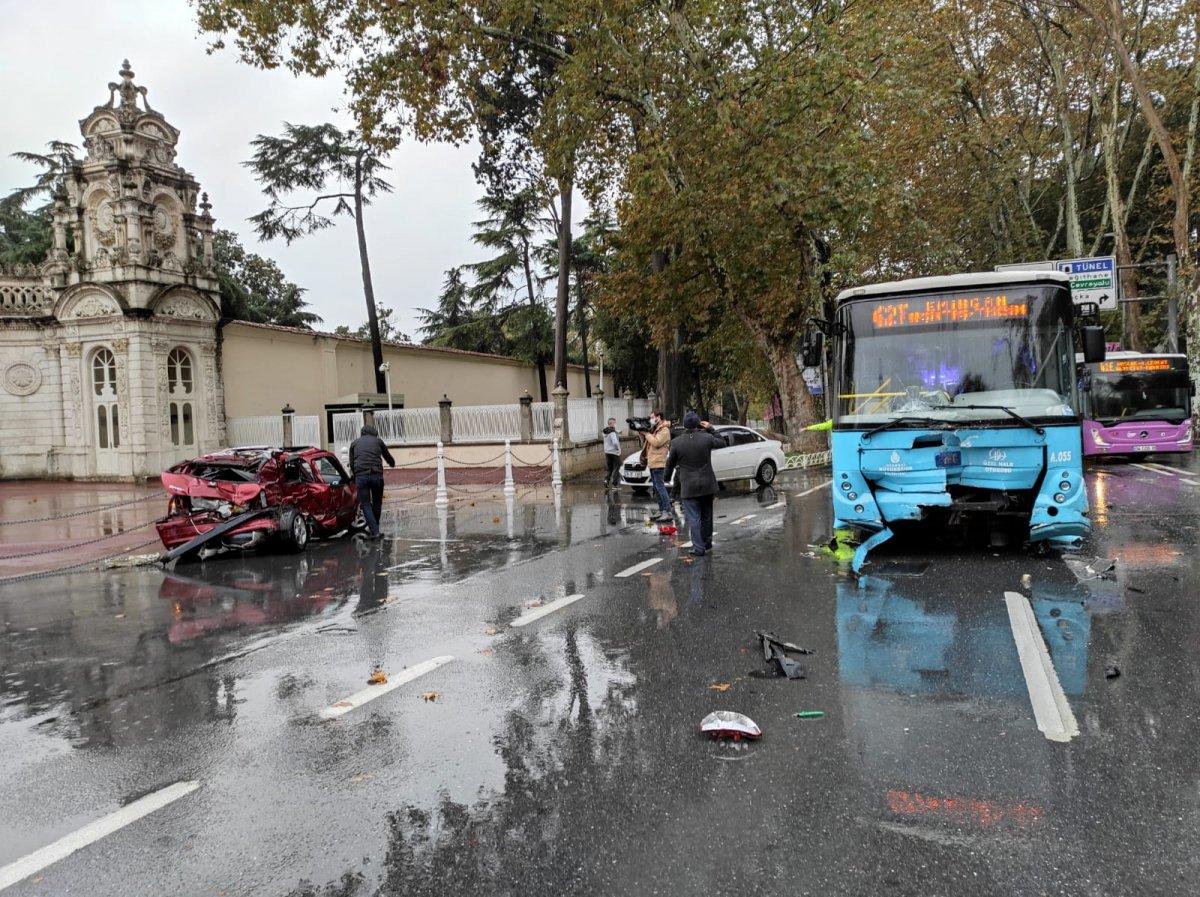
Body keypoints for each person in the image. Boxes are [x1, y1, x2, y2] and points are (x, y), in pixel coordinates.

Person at [664, 412, 728, 556]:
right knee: (707, 515)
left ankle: (698, 548)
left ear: (684, 425)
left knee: (693, 517)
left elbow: (670, 464)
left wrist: (666, 478)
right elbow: (722, 442)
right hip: (707, 484)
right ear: (699, 424)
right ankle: (707, 543)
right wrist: (711, 428)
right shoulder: (707, 438)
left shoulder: (677, 443)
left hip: (688, 486)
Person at [348, 423, 395, 539]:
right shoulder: (378, 441)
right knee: (377, 502)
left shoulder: (354, 444)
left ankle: (375, 530)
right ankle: (375, 530)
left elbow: (352, 464)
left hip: (361, 476)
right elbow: (387, 456)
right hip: (376, 475)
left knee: (366, 504)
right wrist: (392, 463)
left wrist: (355, 475)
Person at [640, 410, 673, 521]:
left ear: (658, 417)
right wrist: (642, 433)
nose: (651, 420)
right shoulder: (655, 429)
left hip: (659, 462)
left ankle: (667, 511)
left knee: (660, 487)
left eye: (652, 417)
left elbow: (656, 442)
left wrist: (647, 434)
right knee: (656, 488)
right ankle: (661, 510)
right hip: (653, 462)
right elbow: (646, 444)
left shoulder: (664, 430)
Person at [602, 417, 622, 490]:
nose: (615, 424)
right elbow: (615, 443)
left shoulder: (605, 432)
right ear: (612, 423)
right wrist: (618, 449)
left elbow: (615, 431)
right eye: (614, 423)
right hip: (614, 453)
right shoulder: (612, 433)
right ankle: (615, 485)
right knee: (617, 468)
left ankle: (606, 480)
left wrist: (619, 432)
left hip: (607, 452)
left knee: (610, 468)